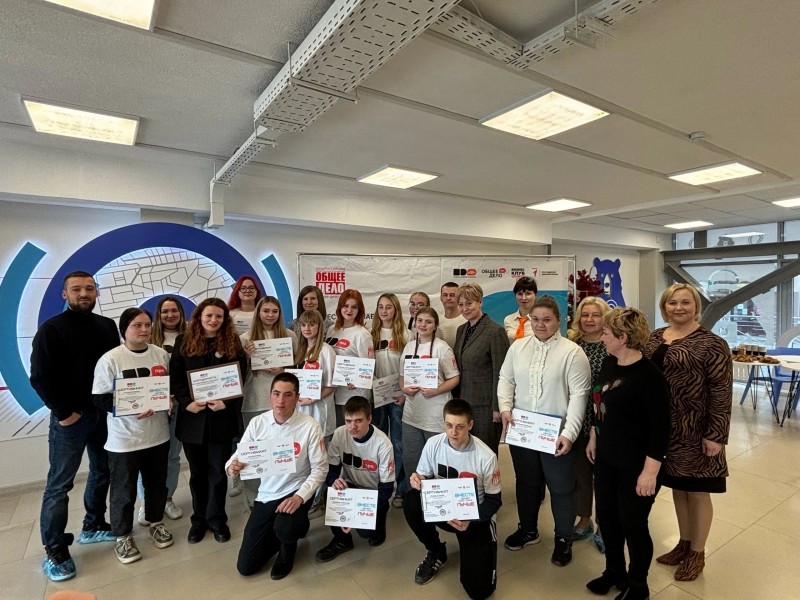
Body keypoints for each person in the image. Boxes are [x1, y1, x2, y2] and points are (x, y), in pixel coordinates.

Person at [30, 271, 120, 582]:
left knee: (102, 471)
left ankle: (93, 525)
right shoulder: (51, 329)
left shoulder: (107, 326)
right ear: (64, 294)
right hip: (70, 419)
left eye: (89, 288)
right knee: (60, 484)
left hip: (103, 415)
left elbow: (114, 369)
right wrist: (64, 412)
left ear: (96, 292)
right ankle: (54, 548)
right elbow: (39, 377)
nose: (84, 293)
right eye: (77, 289)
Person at [643, 283, 732, 582]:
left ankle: (697, 552)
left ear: (696, 307)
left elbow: (721, 391)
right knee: (678, 488)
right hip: (663, 430)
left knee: (697, 490)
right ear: (664, 307)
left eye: (685, 302)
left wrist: (716, 434)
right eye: (672, 303)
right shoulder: (654, 337)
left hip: (696, 429)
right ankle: (683, 543)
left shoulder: (712, 343)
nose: (678, 308)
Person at [498, 296, 590, 567]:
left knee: (561, 488)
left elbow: (579, 396)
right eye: (535, 319)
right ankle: (528, 530)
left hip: (556, 434)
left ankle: (563, 538)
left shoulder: (572, 353)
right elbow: (506, 379)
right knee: (527, 483)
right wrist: (505, 408)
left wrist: (569, 433)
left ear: (558, 321)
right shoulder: (518, 347)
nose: (540, 325)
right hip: (523, 431)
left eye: (547, 320)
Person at [585, 308, 670, 600]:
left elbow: (661, 430)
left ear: (622, 337)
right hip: (606, 458)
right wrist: (594, 435)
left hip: (636, 466)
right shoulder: (609, 362)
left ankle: (638, 585)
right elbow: (600, 402)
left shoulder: (650, 376)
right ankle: (614, 572)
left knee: (633, 525)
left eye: (606, 333)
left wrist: (650, 473)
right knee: (607, 519)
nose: (602, 337)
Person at [92, 308, 174, 564]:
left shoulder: (160, 354)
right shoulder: (111, 359)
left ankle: (156, 522)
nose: (144, 329)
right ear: (124, 329)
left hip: (158, 434)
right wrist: (130, 408)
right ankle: (123, 536)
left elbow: (167, 388)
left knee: (157, 484)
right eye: (137, 325)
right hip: (124, 439)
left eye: (147, 324)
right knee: (123, 490)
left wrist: (168, 400)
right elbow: (99, 398)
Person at [227, 373, 327, 580]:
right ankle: (289, 528)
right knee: (246, 566)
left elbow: (320, 469)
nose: (281, 400)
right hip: (267, 494)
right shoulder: (258, 423)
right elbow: (238, 455)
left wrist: (299, 497)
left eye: (288, 395)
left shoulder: (310, 426)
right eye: (276, 394)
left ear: (297, 397)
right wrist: (231, 467)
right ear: (270, 395)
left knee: (287, 527)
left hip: (296, 490)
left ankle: (288, 546)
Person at [403, 399, 501, 600]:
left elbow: (494, 501)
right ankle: (436, 551)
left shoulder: (486, 456)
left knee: (479, 592)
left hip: (473, 517)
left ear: (470, 425)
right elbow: (424, 477)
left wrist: (471, 519)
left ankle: (473, 552)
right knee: (411, 500)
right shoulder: (433, 444)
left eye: (460, 427)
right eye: (448, 425)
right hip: (442, 509)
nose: (453, 432)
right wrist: (418, 479)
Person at [169, 298, 248, 544]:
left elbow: (240, 377)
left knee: (218, 472)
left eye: (219, 316)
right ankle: (199, 520)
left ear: (225, 319)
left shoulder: (233, 342)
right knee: (197, 473)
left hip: (221, 419)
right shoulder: (183, 341)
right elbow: (175, 378)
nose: (214, 320)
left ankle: (217, 519)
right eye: (209, 316)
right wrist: (186, 403)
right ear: (199, 317)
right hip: (193, 420)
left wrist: (227, 402)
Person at [314, 396, 395, 562]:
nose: (352, 427)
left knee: (367, 534)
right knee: (330, 493)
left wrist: (355, 515)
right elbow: (330, 471)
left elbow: (386, 490)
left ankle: (378, 525)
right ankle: (342, 540)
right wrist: (333, 480)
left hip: (374, 494)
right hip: (351, 488)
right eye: (348, 421)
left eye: (358, 421)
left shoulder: (383, 444)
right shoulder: (340, 433)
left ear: (369, 419)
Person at [240, 296, 298, 507]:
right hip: (254, 400)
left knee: (282, 451)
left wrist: (283, 369)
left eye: (275, 311)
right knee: (254, 452)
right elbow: (237, 375)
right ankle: (254, 496)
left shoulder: (290, 336)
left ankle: (283, 492)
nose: (270, 315)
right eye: (266, 311)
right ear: (258, 312)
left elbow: (298, 368)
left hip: (283, 403)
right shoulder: (245, 338)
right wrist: (246, 358)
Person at [136, 296, 186, 527]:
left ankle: (167, 499)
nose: (170, 315)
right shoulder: (149, 339)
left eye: (174, 310)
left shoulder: (189, 337)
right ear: (159, 314)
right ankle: (146, 503)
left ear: (181, 313)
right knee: (147, 459)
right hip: (152, 409)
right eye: (165, 311)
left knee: (172, 456)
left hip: (178, 406)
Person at [399, 307, 460, 492]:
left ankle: (436, 498)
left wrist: (436, 390)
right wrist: (404, 388)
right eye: (420, 321)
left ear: (435, 325)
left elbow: (455, 378)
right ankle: (414, 499)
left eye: (428, 321)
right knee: (411, 461)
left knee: (436, 462)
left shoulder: (442, 348)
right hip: (411, 416)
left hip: (435, 416)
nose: (423, 325)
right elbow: (402, 376)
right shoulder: (409, 346)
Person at [568, 296, 611, 552]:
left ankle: (604, 527)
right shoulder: (572, 344)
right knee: (580, 474)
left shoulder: (612, 344)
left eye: (595, 315)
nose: (590, 319)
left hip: (605, 420)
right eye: (585, 315)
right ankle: (584, 519)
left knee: (604, 477)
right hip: (577, 419)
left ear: (604, 318)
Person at [452, 283, 509, 454]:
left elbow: (502, 373)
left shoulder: (495, 331)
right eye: (461, 304)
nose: (465, 308)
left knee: (485, 453)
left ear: (480, 302)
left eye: (469, 303)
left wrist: (497, 407)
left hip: (486, 407)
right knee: (466, 453)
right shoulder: (462, 330)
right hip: (464, 403)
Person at [370, 293, 412, 507]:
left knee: (398, 442)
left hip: (398, 397)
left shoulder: (406, 334)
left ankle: (401, 489)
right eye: (381, 307)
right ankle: (378, 485)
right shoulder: (371, 333)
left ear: (396, 309)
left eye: (388, 307)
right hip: (377, 396)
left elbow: (411, 367)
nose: (384, 311)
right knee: (377, 441)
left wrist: (404, 393)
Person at [325, 289, 374, 427]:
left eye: (354, 307)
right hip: (335, 394)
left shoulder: (362, 334)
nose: (349, 310)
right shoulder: (332, 330)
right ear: (340, 307)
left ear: (359, 310)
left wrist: (357, 379)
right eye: (345, 306)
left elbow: (368, 366)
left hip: (354, 397)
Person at [503, 276, 537, 343]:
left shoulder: (540, 321)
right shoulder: (508, 320)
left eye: (528, 293)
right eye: (520, 294)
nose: (523, 298)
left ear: (535, 295)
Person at [438, 282, 466, 349]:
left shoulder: (467, 320)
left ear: (459, 298)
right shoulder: (436, 321)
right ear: (441, 298)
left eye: (452, 295)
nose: (448, 298)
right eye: (445, 295)